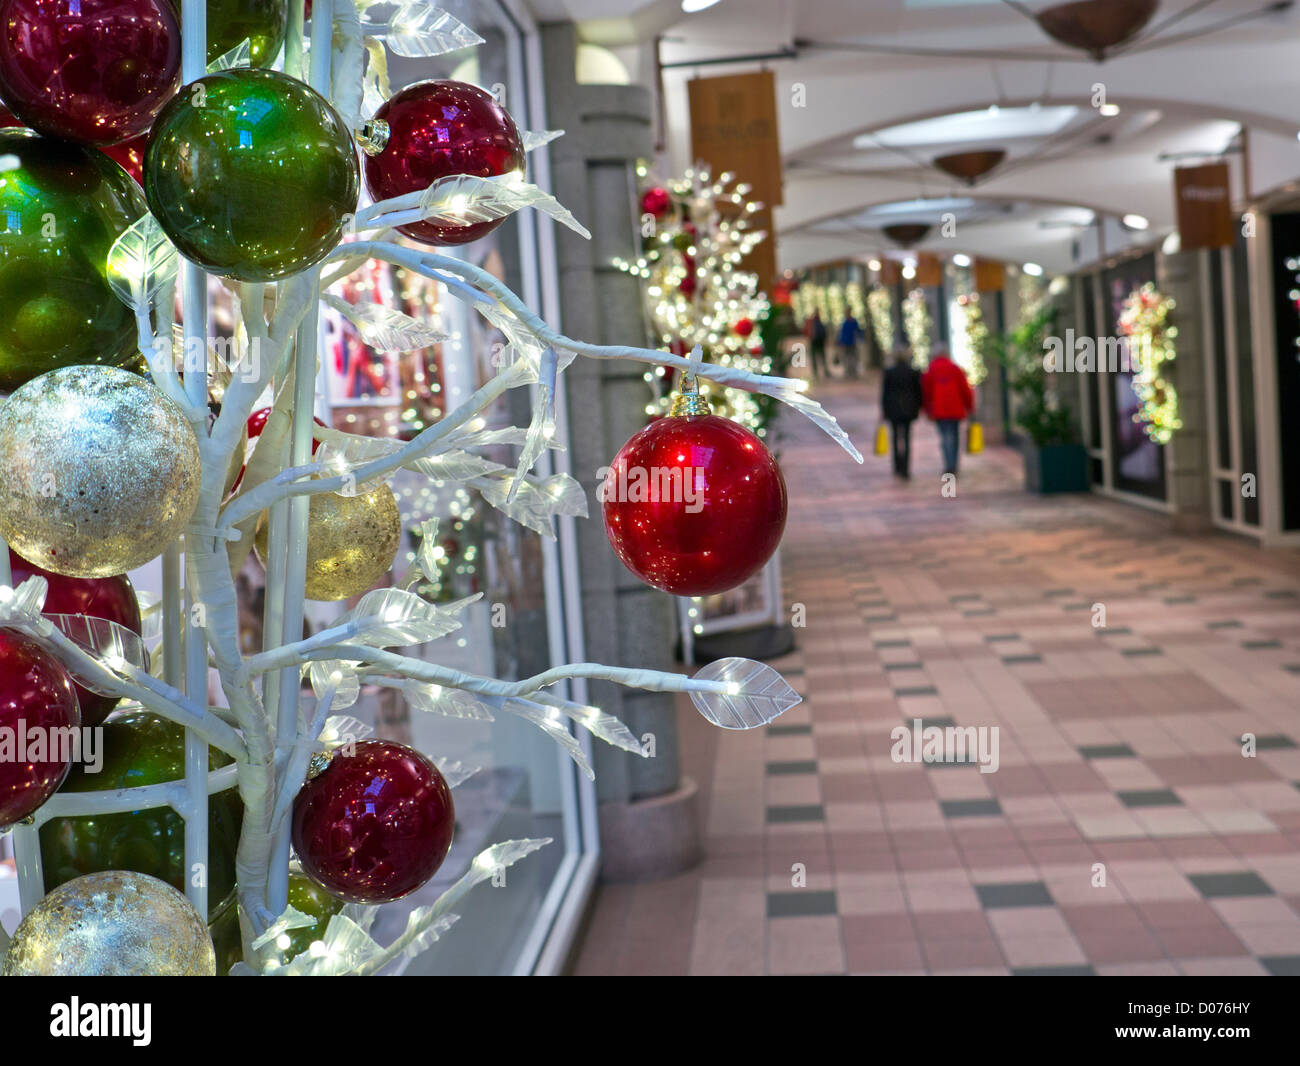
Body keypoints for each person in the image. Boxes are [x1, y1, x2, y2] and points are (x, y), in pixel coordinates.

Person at [921, 343, 975, 476]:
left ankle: (948, 464)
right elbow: (965, 389)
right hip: (955, 409)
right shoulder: (955, 369)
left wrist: (927, 409)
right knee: (955, 436)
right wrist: (969, 406)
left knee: (945, 437)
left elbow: (926, 392)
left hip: (939, 410)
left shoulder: (931, 370)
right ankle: (954, 464)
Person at [881, 348, 923, 478]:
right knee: (906, 438)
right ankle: (905, 468)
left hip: (893, 409)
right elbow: (918, 393)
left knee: (895, 437)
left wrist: (884, 410)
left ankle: (897, 466)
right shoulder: (913, 372)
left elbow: (885, 394)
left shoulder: (889, 372)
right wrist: (918, 407)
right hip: (908, 409)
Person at [838, 312, 863, 378]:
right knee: (848, 357)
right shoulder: (846, 322)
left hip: (851, 342)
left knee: (852, 357)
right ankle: (848, 371)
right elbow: (843, 333)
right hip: (847, 343)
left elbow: (858, 330)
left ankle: (852, 371)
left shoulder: (850, 322)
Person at [806, 311, 828, 381]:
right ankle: (817, 373)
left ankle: (821, 372)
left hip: (818, 343)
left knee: (820, 358)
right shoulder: (814, 323)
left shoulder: (818, 323)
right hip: (815, 343)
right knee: (817, 359)